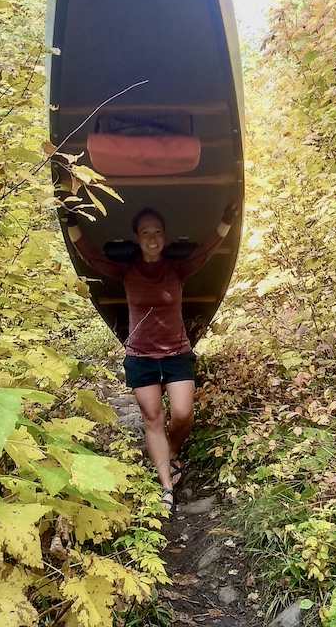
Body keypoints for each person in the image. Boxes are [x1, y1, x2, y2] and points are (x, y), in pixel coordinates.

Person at [65, 202, 238, 515]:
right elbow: (90, 256)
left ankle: (169, 450)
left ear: (164, 235)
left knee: (184, 415)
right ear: (136, 237)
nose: (152, 236)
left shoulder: (176, 268)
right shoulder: (126, 270)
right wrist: (70, 222)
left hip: (176, 353)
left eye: (157, 231)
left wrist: (226, 219)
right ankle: (167, 488)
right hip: (141, 357)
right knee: (153, 419)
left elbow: (207, 251)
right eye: (145, 231)